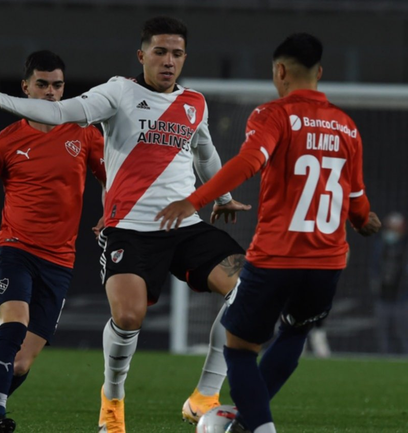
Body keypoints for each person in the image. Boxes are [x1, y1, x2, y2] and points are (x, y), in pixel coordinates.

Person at [0, 16, 250, 432]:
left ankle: (205, 396)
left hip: (184, 225)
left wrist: (221, 196)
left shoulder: (194, 103)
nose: (168, 61)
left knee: (248, 290)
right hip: (127, 229)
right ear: (141, 54)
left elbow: (205, 153)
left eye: (177, 54)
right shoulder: (118, 92)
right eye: (160, 52)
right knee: (128, 319)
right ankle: (112, 398)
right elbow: (60, 112)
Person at [156, 33, 382, 433]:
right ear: (320, 73)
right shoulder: (347, 128)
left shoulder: (273, 115)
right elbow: (357, 201)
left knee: (239, 349)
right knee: (296, 330)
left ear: (280, 71)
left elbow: (248, 162)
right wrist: (365, 222)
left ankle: (260, 428)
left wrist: (194, 201)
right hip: (327, 263)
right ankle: (247, 421)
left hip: (276, 257)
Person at [0, 51, 106, 433]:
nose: (49, 92)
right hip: (15, 248)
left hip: (60, 260)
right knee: (14, 322)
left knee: (23, 363)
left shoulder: (84, 133)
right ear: (25, 87)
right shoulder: (5, 141)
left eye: (57, 85)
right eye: (41, 84)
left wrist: (111, 211)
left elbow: (111, 179)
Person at [369, 212, 408, 355]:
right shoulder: (381, 246)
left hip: (403, 298)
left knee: (405, 332)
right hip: (383, 296)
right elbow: (374, 269)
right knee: (382, 334)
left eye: (395, 229)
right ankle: (385, 360)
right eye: (389, 228)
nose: (391, 232)